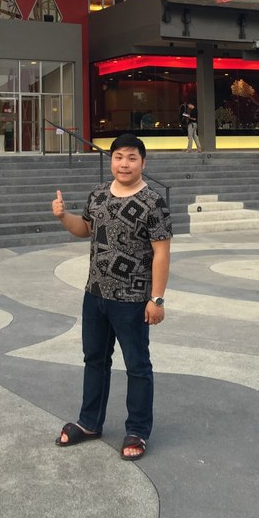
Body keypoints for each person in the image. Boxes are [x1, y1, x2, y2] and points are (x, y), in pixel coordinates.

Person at [51, 133, 172, 460]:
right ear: (111, 160)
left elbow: (162, 253)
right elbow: (85, 229)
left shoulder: (153, 202)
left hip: (133, 299)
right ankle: (90, 422)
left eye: (132, 158)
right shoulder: (99, 194)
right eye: (119, 157)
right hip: (95, 294)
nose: (124, 164)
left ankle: (138, 430)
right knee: (94, 359)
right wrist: (63, 216)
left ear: (143, 162)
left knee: (137, 365)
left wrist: (157, 299)